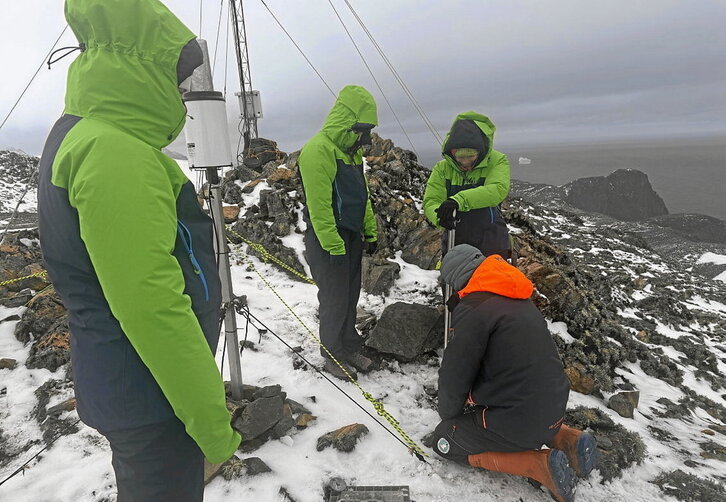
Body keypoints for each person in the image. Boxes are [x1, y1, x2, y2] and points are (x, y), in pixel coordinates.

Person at [37, 1, 240, 500]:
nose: (181, 93)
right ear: (143, 66)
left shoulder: (86, 134)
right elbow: (153, 306)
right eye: (175, 77)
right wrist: (212, 423)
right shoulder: (115, 151)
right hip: (153, 397)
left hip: (131, 381)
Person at [432, 244, 598, 502]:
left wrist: (449, 418)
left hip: (520, 420)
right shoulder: (518, 299)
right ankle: (567, 438)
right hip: (553, 407)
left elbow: (455, 373)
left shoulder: (474, 309)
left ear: (456, 280)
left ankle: (538, 466)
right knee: (522, 408)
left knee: (445, 439)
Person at [298, 85, 379, 380]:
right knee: (333, 298)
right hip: (328, 239)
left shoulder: (352, 154)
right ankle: (332, 354)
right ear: (346, 122)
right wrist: (333, 245)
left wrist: (370, 231)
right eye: (359, 130)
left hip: (351, 236)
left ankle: (348, 345)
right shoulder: (318, 150)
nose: (362, 137)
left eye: (365, 131)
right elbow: (319, 206)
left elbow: (362, 196)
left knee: (349, 295)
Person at [423, 112, 511, 259]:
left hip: (489, 236)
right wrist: (441, 217)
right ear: (452, 153)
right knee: (455, 281)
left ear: (480, 151)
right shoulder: (442, 168)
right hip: (454, 236)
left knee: (491, 280)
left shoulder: (497, 160)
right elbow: (431, 201)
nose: (465, 164)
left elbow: (497, 190)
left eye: (470, 158)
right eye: (460, 158)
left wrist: (458, 201)